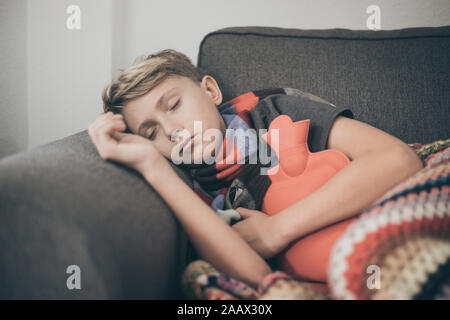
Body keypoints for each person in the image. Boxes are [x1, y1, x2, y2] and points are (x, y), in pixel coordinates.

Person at [88, 49, 424, 289]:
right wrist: (151, 167)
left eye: (174, 104)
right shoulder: (192, 191)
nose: (173, 130)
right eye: (151, 132)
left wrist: (275, 231)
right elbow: (258, 279)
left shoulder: (272, 113)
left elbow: (398, 159)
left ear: (209, 90)